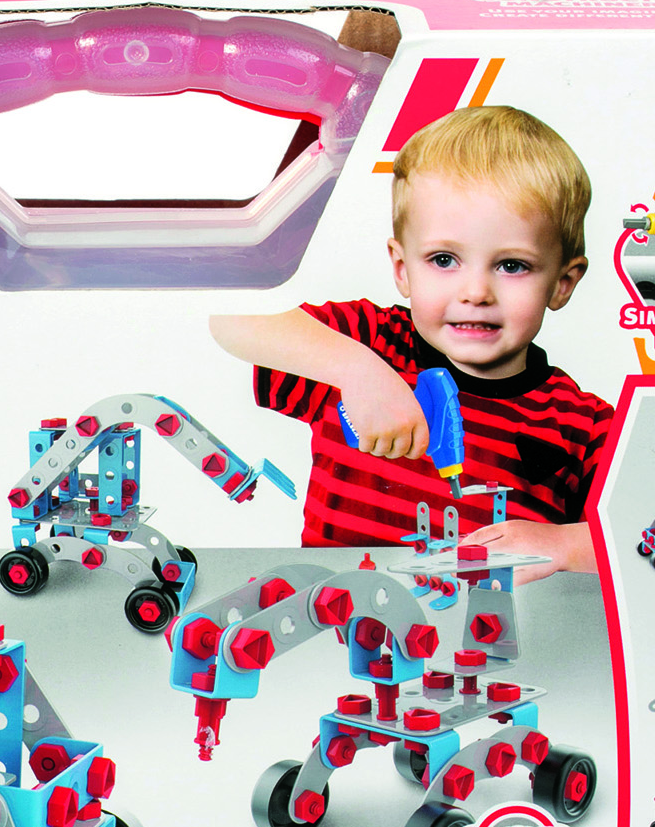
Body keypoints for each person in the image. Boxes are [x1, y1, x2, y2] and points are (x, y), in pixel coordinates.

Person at [210, 105, 612, 579]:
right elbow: (230, 315)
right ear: (402, 270)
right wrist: (357, 371)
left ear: (563, 283)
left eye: (512, 266)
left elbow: (652, 541)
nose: (475, 292)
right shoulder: (369, 341)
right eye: (444, 260)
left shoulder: (583, 424)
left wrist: (565, 545)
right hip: (334, 620)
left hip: (490, 627)